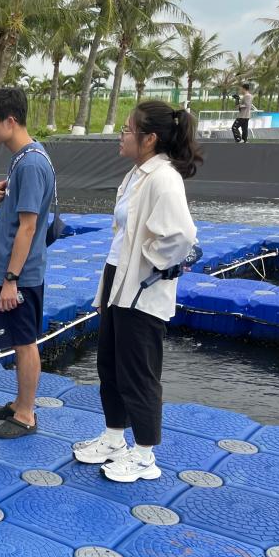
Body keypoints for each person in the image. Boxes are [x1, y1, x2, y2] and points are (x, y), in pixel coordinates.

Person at [74, 102, 200, 483]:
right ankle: (114, 438)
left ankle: (145, 455)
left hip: (142, 289)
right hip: (118, 278)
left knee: (139, 373)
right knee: (110, 364)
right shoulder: (137, 174)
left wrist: (150, 260)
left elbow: (182, 235)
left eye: (128, 130)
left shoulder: (164, 178)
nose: (122, 135)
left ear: (150, 139)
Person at [0, 87, 55, 439]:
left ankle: (26, 414)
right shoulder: (24, 159)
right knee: (17, 339)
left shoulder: (31, 164)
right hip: (12, 271)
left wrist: (11, 279)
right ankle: (19, 402)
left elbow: (28, 227)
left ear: (10, 122)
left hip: (20, 275)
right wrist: (5, 190)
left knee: (25, 342)